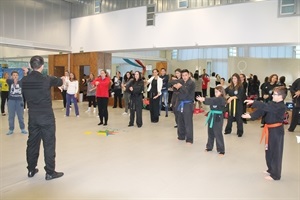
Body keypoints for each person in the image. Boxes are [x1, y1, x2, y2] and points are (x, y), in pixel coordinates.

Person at [22, 55, 64, 180]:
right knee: (49, 144)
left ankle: (31, 169)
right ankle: (50, 172)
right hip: (46, 117)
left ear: (30, 66)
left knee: (32, 143)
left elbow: (31, 78)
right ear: (43, 66)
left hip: (33, 117)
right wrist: (62, 78)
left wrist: (28, 73)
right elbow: (60, 81)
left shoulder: (24, 80)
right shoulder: (47, 79)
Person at [242, 86, 287, 181]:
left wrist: (254, 102)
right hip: (269, 130)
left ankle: (276, 175)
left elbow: (266, 107)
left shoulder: (281, 106)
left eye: (275, 94)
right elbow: (262, 110)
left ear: (281, 97)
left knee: (276, 152)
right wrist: (251, 115)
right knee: (268, 150)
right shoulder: (272, 103)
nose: (272, 95)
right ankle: (270, 169)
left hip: (276, 131)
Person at [196, 86, 227, 155]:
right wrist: (202, 100)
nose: (215, 93)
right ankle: (209, 147)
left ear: (221, 92)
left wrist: (204, 99)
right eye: (215, 91)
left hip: (218, 117)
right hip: (211, 116)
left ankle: (221, 149)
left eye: (217, 92)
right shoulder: (214, 98)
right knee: (210, 132)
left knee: (217, 133)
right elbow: (209, 101)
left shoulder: (221, 99)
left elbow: (213, 101)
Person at [170, 69, 195, 144]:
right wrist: (175, 84)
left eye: (186, 75)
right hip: (180, 103)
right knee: (179, 120)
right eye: (183, 75)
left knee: (188, 121)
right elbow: (171, 82)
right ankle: (181, 136)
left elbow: (186, 92)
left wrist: (180, 86)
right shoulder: (180, 81)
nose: (184, 77)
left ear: (189, 75)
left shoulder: (191, 83)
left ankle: (189, 139)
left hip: (188, 104)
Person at [6, 71, 27, 135]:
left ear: (18, 76)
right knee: (11, 116)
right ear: (11, 76)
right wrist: (13, 81)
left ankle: (22, 128)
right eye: (14, 75)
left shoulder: (21, 82)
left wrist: (25, 73)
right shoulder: (10, 82)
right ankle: (11, 129)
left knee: (20, 116)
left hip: (19, 101)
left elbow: (25, 79)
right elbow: (7, 80)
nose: (15, 76)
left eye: (16, 75)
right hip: (11, 101)